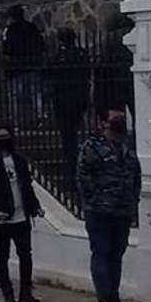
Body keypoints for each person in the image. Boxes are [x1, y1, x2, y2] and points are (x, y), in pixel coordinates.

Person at [76, 106, 142, 302]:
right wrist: (96, 200)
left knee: (117, 254)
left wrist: (133, 201)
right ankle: (105, 299)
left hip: (122, 211)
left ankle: (114, 296)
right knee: (102, 252)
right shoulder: (92, 147)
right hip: (99, 211)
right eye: (115, 118)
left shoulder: (127, 148)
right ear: (103, 123)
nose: (120, 122)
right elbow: (83, 177)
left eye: (122, 118)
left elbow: (136, 177)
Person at [0, 125, 43, 302]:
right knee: (2, 255)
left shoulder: (19, 161)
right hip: (1, 218)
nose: (5, 140)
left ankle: (25, 292)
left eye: (7, 136)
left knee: (25, 254)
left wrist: (35, 206)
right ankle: (7, 292)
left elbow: (27, 186)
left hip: (21, 216)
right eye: (1, 137)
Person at [50, 28, 91, 187]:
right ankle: (76, 168)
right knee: (74, 134)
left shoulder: (58, 57)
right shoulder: (81, 54)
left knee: (68, 137)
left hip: (63, 100)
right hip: (79, 98)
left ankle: (72, 172)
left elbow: (48, 73)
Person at [3, 5, 46, 126]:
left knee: (16, 96)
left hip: (16, 67)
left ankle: (16, 121)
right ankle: (40, 117)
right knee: (35, 93)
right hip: (32, 64)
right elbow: (41, 45)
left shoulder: (10, 30)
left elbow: (6, 49)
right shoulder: (32, 27)